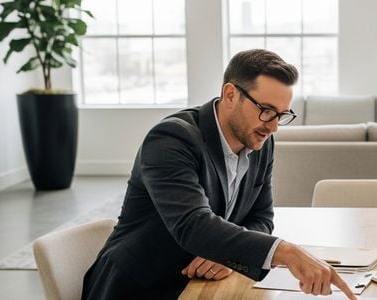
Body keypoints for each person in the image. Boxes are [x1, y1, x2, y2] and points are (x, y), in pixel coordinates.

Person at [82, 49, 355, 299]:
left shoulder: (260, 140)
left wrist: (226, 252)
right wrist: (287, 252)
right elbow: (192, 224)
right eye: (266, 111)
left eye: (282, 115)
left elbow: (261, 217)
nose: (273, 127)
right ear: (230, 94)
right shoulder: (171, 139)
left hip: (202, 285)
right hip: (139, 288)